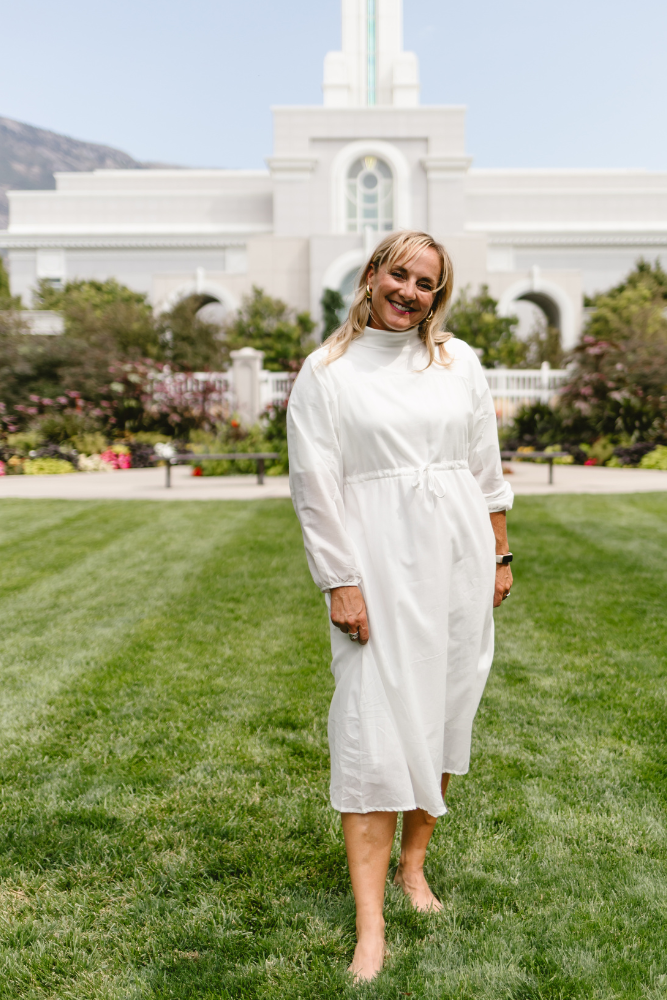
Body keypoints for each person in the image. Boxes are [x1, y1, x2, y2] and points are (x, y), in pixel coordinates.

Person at [287, 230, 514, 981]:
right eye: (400, 274)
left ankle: (413, 866)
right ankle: (370, 925)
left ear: (437, 295)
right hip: (378, 564)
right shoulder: (328, 372)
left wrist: (500, 554)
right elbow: (314, 489)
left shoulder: (459, 363)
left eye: (427, 283)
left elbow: (485, 467)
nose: (410, 292)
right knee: (371, 726)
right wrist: (339, 580)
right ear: (372, 274)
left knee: (447, 709)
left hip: (458, 557)